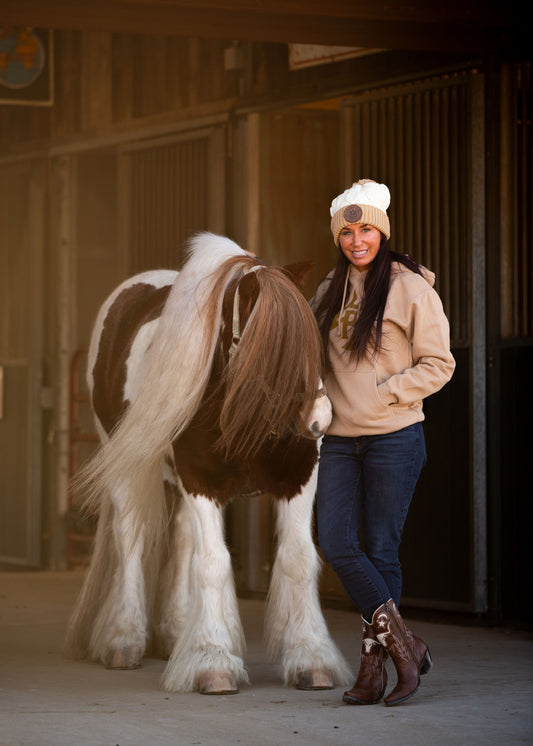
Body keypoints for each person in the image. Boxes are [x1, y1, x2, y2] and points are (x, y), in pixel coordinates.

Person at [312, 179, 455, 707]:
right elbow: (306, 357)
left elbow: (440, 363)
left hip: (395, 436)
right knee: (337, 544)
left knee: (381, 548)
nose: (356, 240)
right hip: (342, 441)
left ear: (383, 231)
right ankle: (407, 646)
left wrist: (387, 394)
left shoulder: (410, 287)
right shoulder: (329, 289)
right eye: (347, 232)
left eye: (366, 228)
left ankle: (373, 670)